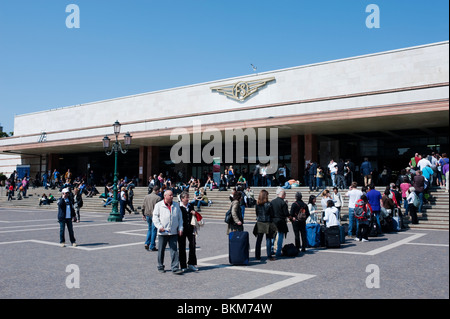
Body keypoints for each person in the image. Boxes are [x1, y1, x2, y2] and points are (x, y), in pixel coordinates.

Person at [152, 190, 183, 274]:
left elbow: (180, 219)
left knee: (174, 250)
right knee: (161, 250)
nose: (172, 196)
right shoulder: (159, 205)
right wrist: (159, 226)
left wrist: (180, 228)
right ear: (165, 196)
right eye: (170, 195)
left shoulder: (176, 205)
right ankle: (160, 266)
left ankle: (175, 267)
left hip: (173, 232)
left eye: (172, 195)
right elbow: (155, 218)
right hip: (163, 232)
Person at [178, 191, 198, 272]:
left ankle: (191, 263)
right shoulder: (178, 207)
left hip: (190, 228)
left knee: (193, 246)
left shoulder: (191, 206)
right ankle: (183, 265)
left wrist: (194, 213)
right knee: (182, 247)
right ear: (182, 199)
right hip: (181, 229)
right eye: (186, 198)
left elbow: (195, 216)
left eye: (188, 197)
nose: (188, 199)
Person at [254, 190, 277, 261]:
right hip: (267, 222)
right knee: (268, 239)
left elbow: (257, 214)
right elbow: (272, 214)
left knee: (259, 240)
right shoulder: (269, 204)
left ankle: (257, 255)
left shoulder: (257, 204)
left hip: (260, 222)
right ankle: (269, 255)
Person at [142, 186, 162, 251]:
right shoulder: (158, 198)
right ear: (157, 191)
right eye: (158, 191)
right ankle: (152, 245)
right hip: (154, 216)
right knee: (154, 230)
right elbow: (160, 208)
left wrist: (143, 215)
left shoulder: (146, 197)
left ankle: (147, 243)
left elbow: (143, 206)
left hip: (147, 214)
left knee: (149, 229)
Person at [271, 187, 289, 257]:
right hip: (281, 220)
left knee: (273, 236)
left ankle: (271, 250)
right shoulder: (283, 203)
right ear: (283, 195)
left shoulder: (272, 201)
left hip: (273, 220)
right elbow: (286, 213)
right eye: (285, 194)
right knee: (280, 236)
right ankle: (278, 251)